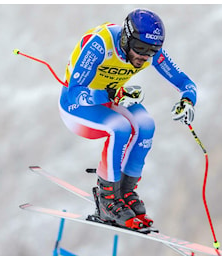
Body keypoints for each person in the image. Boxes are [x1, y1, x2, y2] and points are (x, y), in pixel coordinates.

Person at [59, 8, 197, 229]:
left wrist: (187, 100)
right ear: (125, 37)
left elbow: (185, 83)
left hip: (110, 98)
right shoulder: (100, 44)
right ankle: (107, 200)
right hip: (76, 106)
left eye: (152, 51)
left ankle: (125, 192)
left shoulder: (149, 52)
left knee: (146, 125)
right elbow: (76, 90)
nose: (144, 56)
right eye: (140, 48)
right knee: (120, 128)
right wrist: (113, 93)